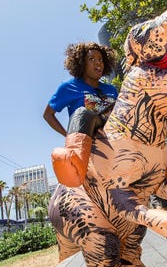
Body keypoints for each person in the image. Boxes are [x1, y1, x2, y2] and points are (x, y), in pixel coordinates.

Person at [43, 42, 118, 187]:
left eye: (101, 59)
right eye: (92, 59)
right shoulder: (69, 87)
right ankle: (75, 168)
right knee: (83, 113)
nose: (98, 63)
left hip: (111, 145)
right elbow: (48, 114)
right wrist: (69, 135)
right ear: (81, 64)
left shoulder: (111, 90)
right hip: (88, 148)